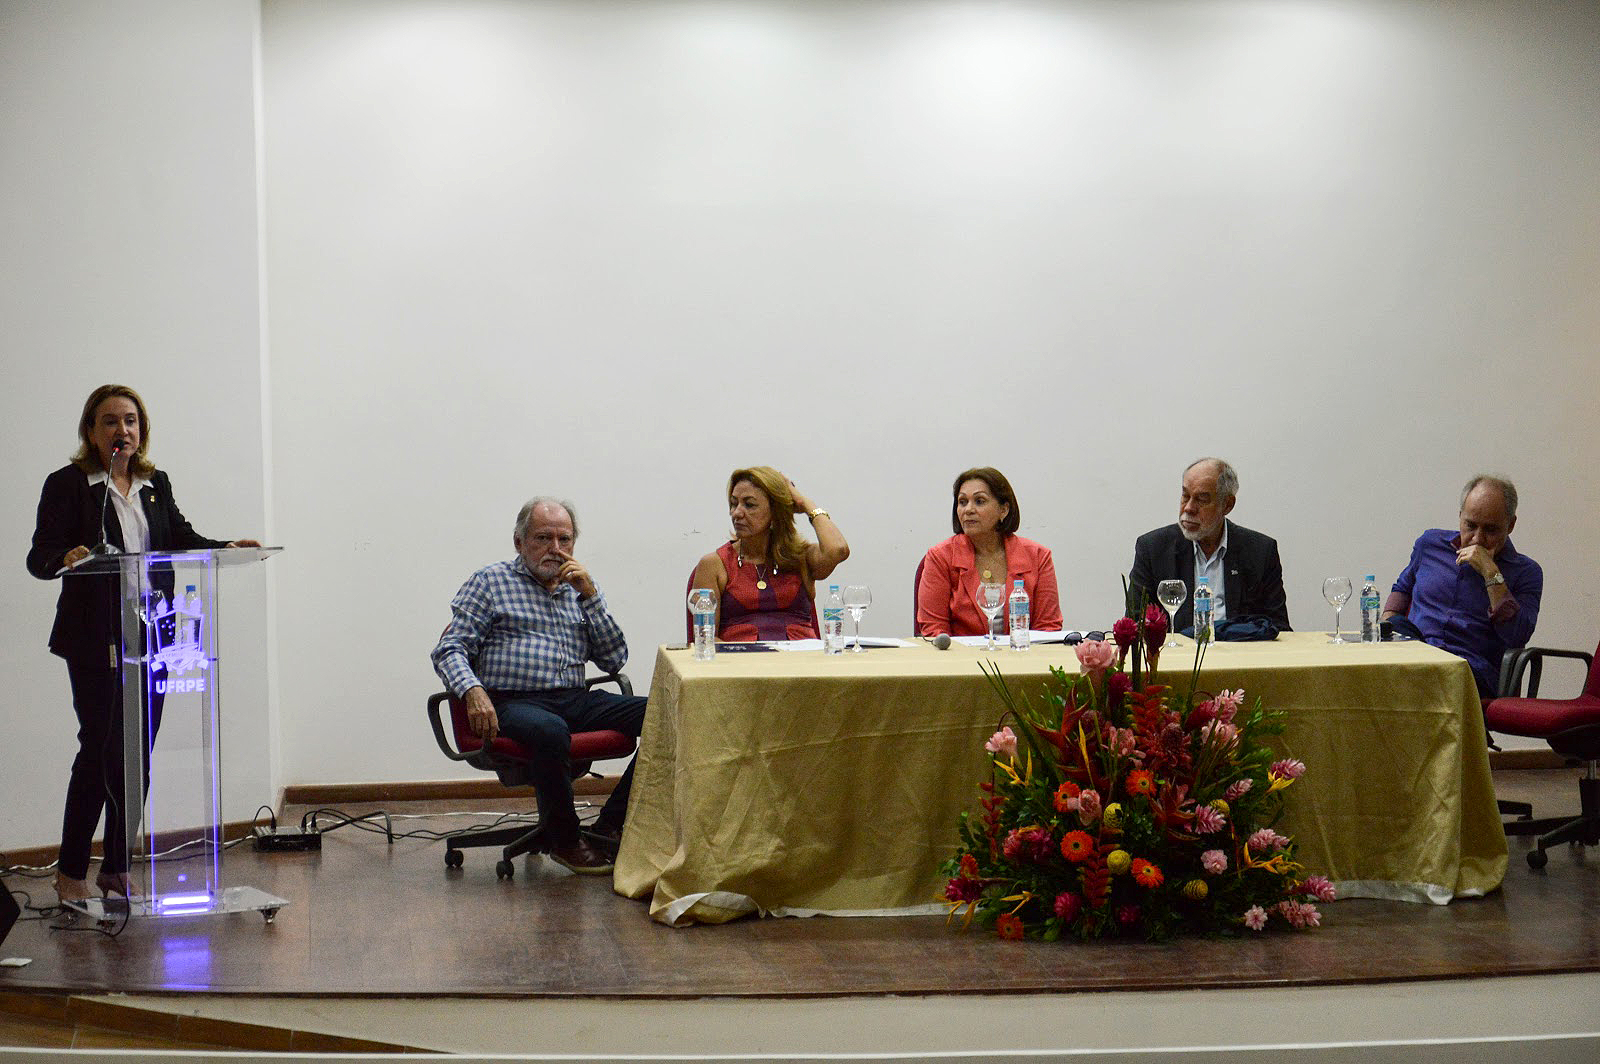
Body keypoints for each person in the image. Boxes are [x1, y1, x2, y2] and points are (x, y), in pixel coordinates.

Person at [27, 384, 260, 908]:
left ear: (142, 429)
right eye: (111, 421)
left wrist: (223, 548)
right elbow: (38, 555)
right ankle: (70, 871)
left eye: (131, 421)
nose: (123, 430)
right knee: (99, 750)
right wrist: (66, 557)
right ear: (92, 431)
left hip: (152, 636)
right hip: (95, 640)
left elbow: (179, 538)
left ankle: (116, 867)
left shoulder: (155, 484)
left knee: (137, 755)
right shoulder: (69, 485)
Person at [432, 497, 646, 874]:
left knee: (666, 715)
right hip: (512, 702)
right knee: (550, 730)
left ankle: (610, 823)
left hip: (574, 699)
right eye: (543, 538)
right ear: (519, 542)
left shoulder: (579, 589)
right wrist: (472, 691)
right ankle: (565, 841)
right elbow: (449, 648)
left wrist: (591, 597)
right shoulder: (490, 582)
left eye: (565, 539)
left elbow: (614, 660)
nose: (556, 549)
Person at [1385, 475, 1542, 702]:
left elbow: (1517, 636)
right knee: (1395, 628)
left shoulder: (1526, 572)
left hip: (1470, 670)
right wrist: (1385, 626)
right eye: (1470, 525)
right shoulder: (1429, 544)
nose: (1477, 539)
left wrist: (1491, 573)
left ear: (1510, 525)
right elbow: (1402, 589)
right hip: (1417, 654)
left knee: (1416, 683)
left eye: (1490, 530)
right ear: (1460, 516)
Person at [1129, 457, 1291, 632]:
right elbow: (1136, 626)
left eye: (1202, 499)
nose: (1188, 508)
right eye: (1185, 496)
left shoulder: (1260, 551)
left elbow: (1279, 628)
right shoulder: (1153, 549)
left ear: (1227, 505)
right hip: (1179, 649)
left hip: (1239, 648)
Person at [689, 467, 849, 641]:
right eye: (734, 503)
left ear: (775, 512)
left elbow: (838, 549)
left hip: (801, 657)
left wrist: (805, 504)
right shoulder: (714, 564)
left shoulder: (801, 557)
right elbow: (705, 640)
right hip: (740, 657)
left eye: (749, 505)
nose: (736, 513)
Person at [916, 467, 1062, 638]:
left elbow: (1048, 629)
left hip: (1022, 653)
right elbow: (934, 630)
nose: (968, 509)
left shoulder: (1038, 557)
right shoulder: (940, 557)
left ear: (1003, 510)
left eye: (979, 501)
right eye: (962, 502)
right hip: (960, 655)